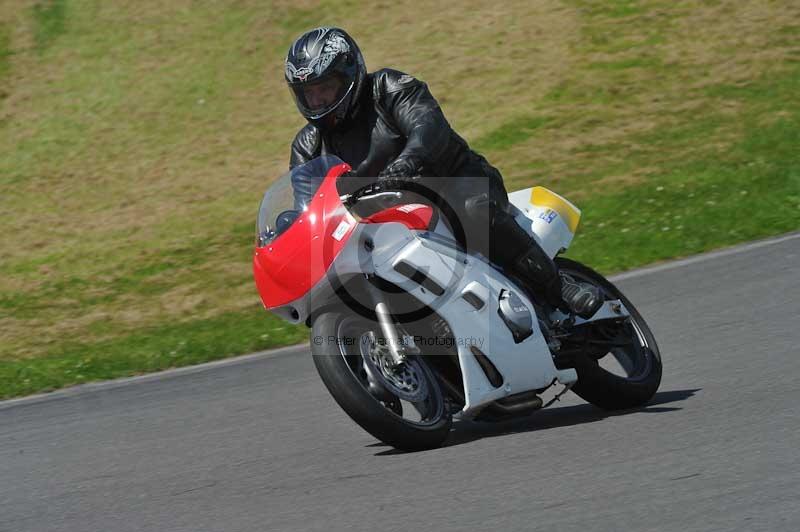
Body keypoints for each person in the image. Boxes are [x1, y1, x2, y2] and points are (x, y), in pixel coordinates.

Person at [283, 27, 601, 319]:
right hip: (384, 228)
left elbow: (428, 126)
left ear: (350, 74)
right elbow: (308, 203)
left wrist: (406, 164)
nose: (317, 100)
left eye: (324, 88)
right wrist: (293, 228)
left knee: (473, 210)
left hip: (452, 185)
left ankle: (559, 289)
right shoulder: (307, 146)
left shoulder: (389, 89)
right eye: (308, 93)